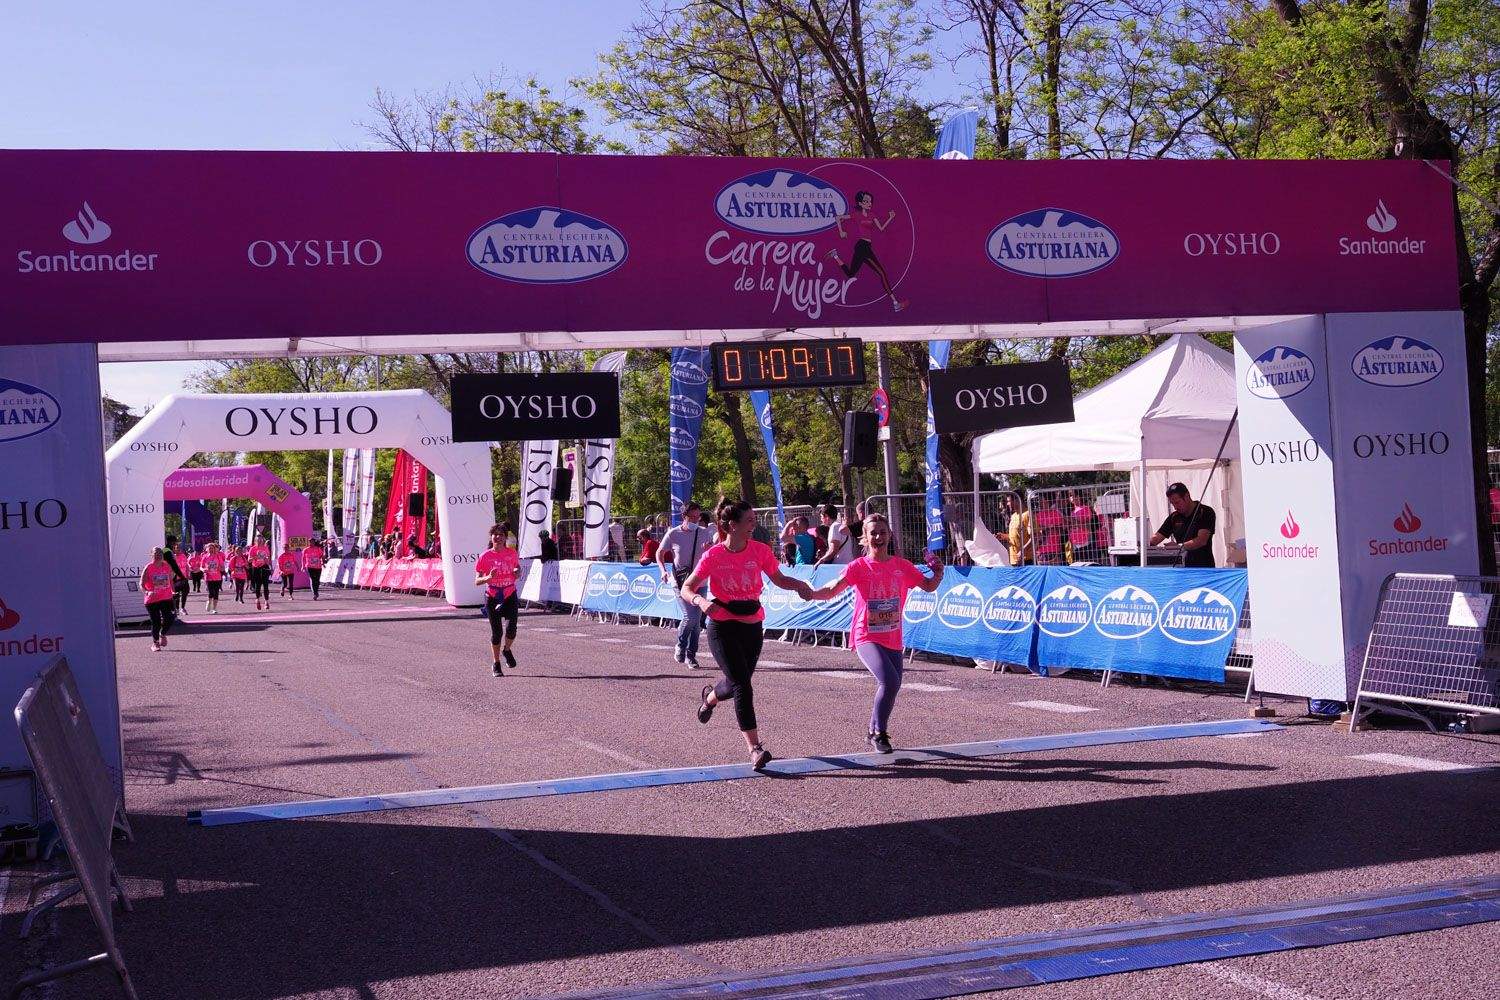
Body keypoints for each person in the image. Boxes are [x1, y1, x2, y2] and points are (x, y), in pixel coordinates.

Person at [681, 499, 814, 770]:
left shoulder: (760, 551)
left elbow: (779, 579)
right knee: (743, 684)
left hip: (752, 624)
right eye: (750, 520)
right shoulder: (714, 555)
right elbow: (687, 587)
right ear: (733, 525)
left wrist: (800, 584)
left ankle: (709, 698)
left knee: (734, 684)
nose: (754, 524)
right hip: (722, 624)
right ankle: (755, 748)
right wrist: (702, 603)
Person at [804, 513, 944, 753]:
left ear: (889, 535)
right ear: (865, 539)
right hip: (865, 634)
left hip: (893, 636)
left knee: (894, 683)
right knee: (889, 681)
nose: (878, 537)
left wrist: (938, 572)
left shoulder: (902, 566)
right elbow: (832, 590)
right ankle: (880, 733)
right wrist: (810, 593)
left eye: (882, 532)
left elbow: (929, 586)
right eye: (873, 533)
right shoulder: (858, 566)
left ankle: (872, 729)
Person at [826, 190, 908, 312]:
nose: (869, 203)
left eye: (870, 201)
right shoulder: (856, 215)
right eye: (866, 201)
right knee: (882, 273)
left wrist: (890, 218)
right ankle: (895, 303)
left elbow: (881, 228)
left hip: (865, 247)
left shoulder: (872, 215)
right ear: (860, 203)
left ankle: (835, 255)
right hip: (862, 246)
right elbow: (838, 217)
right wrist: (841, 231)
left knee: (850, 274)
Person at [657, 501, 715, 669]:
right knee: (691, 617)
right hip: (681, 582)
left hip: (701, 581)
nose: (696, 521)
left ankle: (691, 655)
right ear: (684, 516)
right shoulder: (673, 534)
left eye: (698, 517)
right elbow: (660, 552)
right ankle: (681, 645)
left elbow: (713, 554)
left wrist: (709, 550)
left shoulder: (705, 533)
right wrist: (663, 570)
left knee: (696, 621)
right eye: (692, 517)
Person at [475, 523, 522, 676]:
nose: (498, 537)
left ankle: (507, 650)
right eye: (495, 534)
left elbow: (517, 570)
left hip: (509, 595)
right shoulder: (485, 556)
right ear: (491, 537)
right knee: (497, 633)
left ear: (505, 538)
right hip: (493, 596)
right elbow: (477, 581)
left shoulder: (512, 553)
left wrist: (517, 572)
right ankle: (496, 663)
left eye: (501, 534)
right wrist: (489, 577)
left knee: (511, 629)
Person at [1151, 482, 1217, 568]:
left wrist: (1178, 547)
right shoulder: (1174, 517)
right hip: (1181, 569)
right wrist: (1140, 545)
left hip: (1203, 569)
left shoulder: (1205, 512)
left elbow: (1202, 540)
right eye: (1172, 503)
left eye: (1177, 502)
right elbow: (1156, 538)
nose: (1175, 507)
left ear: (1187, 496)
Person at [141, 547, 177, 651]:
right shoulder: (148, 567)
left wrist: (173, 592)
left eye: (160, 553)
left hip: (166, 597)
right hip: (152, 599)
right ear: (151, 555)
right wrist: (147, 591)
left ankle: (162, 633)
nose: (158, 555)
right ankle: (155, 643)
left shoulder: (166, 566)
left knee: (170, 618)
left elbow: (170, 580)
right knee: (156, 621)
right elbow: (141, 584)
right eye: (156, 554)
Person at [166, 537, 191, 619]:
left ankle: (182, 608)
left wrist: (188, 574)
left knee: (185, 593)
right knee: (176, 595)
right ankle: (176, 608)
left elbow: (186, 565)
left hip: (184, 578)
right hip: (175, 579)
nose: (179, 550)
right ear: (174, 549)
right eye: (177, 548)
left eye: (179, 548)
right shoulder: (172, 556)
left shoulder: (183, 556)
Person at [1004, 494, 1033, 565]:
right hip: (1014, 560)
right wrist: (1003, 536)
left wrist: (1023, 551)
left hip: (1026, 560)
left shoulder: (1028, 514)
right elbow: (1013, 536)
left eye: (1009, 501)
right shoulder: (1013, 516)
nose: (1007, 504)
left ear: (1017, 500)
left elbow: (1034, 537)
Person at [247, 536, 273, 610]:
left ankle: (266, 601)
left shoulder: (265, 548)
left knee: (266, 585)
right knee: (258, 585)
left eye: (261, 540)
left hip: (264, 567)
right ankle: (258, 599)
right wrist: (255, 557)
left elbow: (268, 559)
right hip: (256, 568)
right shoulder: (253, 549)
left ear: (263, 540)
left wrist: (267, 560)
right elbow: (249, 560)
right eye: (258, 540)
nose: (260, 541)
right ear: (255, 541)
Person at [201, 541, 226, 614]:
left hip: (217, 577)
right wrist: (204, 570)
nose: (211, 550)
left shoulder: (218, 556)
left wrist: (221, 568)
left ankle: (214, 608)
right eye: (210, 548)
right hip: (209, 577)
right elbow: (201, 567)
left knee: (216, 593)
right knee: (211, 592)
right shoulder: (205, 557)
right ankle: (209, 601)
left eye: (212, 548)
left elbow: (222, 567)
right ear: (207, 549)